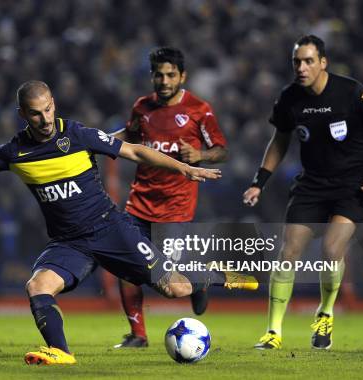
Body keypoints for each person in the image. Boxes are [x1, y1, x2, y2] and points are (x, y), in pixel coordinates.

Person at [0, 80, 257, 365]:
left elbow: (135, 150)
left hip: (110, 229)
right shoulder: (15, 151)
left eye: (47, 109)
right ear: (22, 114)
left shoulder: (76, 134)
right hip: (68, 242)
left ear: (52, 104)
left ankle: (209, 275)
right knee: (37, 286)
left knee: (174, 290)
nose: (44, 119)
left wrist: (184, 168)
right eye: (34, 113)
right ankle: (60, 352)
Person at [243, 35, 363, 350]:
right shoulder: (289, 98)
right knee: (288, 253)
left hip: (352, 185)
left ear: (323, 62)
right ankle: (273, 332)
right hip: (312, 184)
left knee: (330, 250)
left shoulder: (351, 91)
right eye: (297, 61)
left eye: (309, 61)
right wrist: (260, 181)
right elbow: (280, 140)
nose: (302, 67)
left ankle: (324, 314)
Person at [112, 47, 228, 348]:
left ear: (182, 76)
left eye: (170, 75)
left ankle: (202, 279)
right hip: (138, 202)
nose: (164, 81)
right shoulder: (142, 107)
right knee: (127, 267)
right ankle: (138, 335)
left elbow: (221, 149)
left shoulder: (199, 109)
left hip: (175, 209)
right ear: (152, 75)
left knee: (168, 281)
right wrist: (97, 141)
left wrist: (201, 155)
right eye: (159, 75)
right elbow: (130, 135)